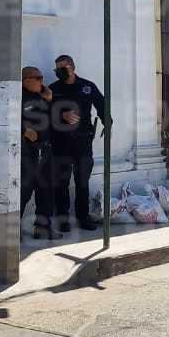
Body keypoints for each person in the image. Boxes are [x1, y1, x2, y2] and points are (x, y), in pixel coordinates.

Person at [49, 54, 106, 232]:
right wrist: (61, 115)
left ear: (72, 67)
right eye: (56, 69)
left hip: (83, 141)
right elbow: (42, 112)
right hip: (60, 142)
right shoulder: (53, 89)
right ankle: (63, 219)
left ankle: (83, 217)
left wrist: (108, 122)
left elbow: (102, 104)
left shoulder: (87, 86)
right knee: (62, 182)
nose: (59, 72)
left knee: (82, 181)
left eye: (62, 68)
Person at [21, 66, 59, 240]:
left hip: (46, 149)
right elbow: (8, 117)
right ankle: (11, 231)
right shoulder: (18, 97)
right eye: (39, 78)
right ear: (26, 80)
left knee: (47, 190)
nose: (42, 82)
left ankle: (43, 228)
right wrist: (23, 130)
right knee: (24, 190)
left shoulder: (42, 96)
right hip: (28, 151)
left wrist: (50, 100)